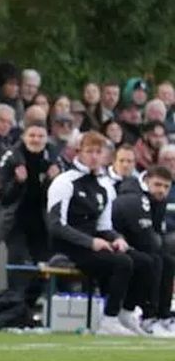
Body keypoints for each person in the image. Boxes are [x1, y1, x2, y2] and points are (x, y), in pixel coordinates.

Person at [45, 131, 150, 336]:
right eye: (89, 151)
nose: (94, 156)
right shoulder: (64, 181)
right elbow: (56, 225)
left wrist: (117, 239)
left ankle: (125, 313)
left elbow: (104, 226)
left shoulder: (105, 186)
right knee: (123, 263)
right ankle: (108, 320)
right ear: (79, 153)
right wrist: (90, 242)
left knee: (144, 261)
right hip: (68, 246)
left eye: (98, 152)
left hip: (95, 243)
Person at [110, 166, 175, 336]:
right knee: (154, 260)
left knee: (167, 261)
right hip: (115, 243)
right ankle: (148, 317)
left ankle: (164, 317)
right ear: (146, 181)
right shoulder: (135, 198)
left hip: (135, 244)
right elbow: (145, 238)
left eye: (166, 187)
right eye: (158, 185)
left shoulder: (157, 200)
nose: (162, 190)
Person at [0, 122, 58, 264]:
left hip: (42, 220)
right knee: (16, 265)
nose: (36, 140)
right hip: (14, 220)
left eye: (41, 136)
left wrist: (51, 180)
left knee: (44, 261)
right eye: (32, 135)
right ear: (24, 137)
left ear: (47, 138)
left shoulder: (54, 158)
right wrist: (17, 182)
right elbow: (3, 197)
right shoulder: (11, 158)